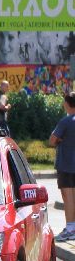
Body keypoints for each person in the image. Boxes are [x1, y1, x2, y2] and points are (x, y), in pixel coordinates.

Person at [50, 91, 75, 242]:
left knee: (68, 198)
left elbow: (52, 140)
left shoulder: (65, 121)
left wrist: (60, 141)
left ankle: (70, 229)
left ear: (67, 104)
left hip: (66, 165)